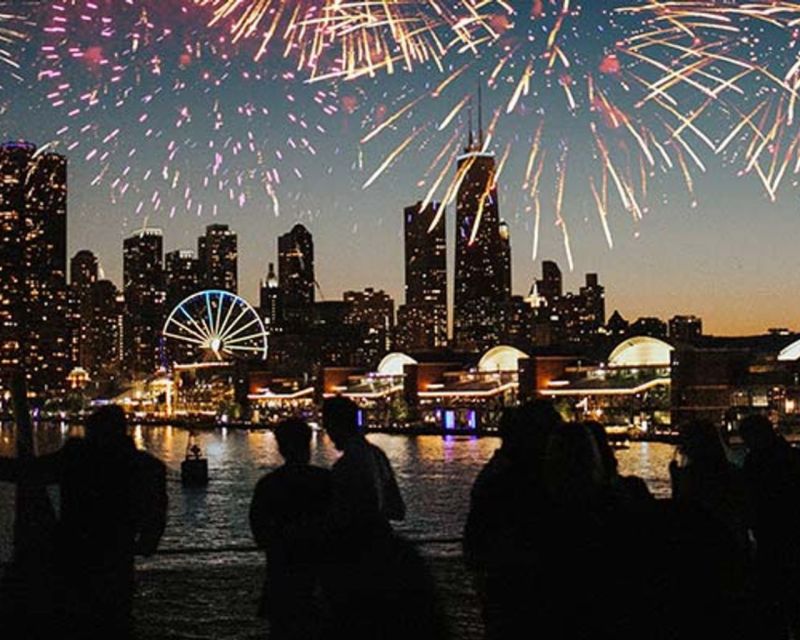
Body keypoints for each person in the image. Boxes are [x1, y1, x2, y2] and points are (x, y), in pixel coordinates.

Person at [0, 404, 167, 639]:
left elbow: (28, 472)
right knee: (114, 621)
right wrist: (144, 545)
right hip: (116, 561)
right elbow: (155, 518)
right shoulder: (148, 468)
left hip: (74, 556)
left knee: (75, 621)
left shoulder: (77, 459)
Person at [321, 397, 441, 640]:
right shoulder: (376, 455)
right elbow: (397, 508)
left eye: (328, 425)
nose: (328, 433)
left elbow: (353, 514)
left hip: (357, 555)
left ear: (335, 425)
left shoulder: (346, 466)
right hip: (383, 544)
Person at [249, 419, 331, 640]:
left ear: (281, 447)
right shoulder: (327, 481)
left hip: (282, 577)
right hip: (323, 578)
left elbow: (259, 533)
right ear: (308, 445)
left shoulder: (268, 485)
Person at [740, 414, 800, 639]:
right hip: (789, 532)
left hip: (770, 535)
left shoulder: (755, 462)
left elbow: (749, 501)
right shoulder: (792, 457)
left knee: (773, 598)